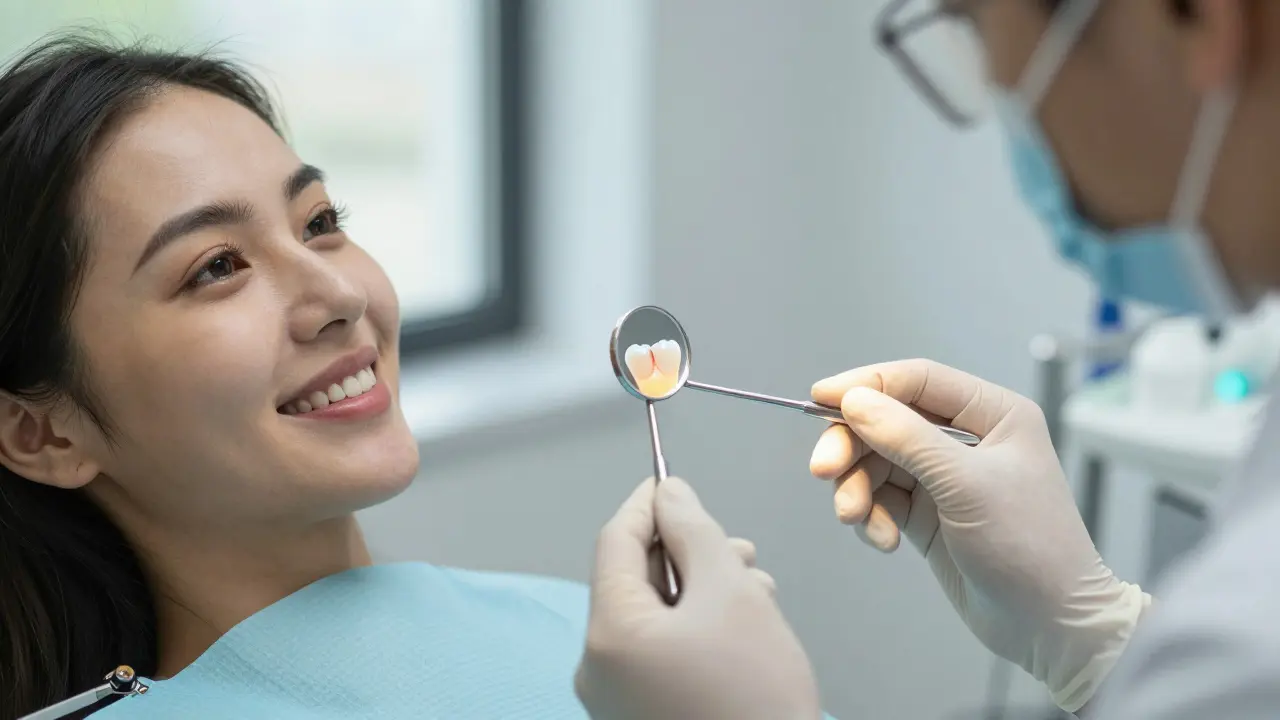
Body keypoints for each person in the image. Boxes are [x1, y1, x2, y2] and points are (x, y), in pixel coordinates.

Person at [0, 35, 825, 719]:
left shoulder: (587, 629)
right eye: (217, 267)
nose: (340, 292)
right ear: (42, 432)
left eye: (319, 222)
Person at [608, 0, 1280, 717]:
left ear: (1196, 18)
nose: (996, 90)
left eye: (974, 24)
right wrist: (1095, 639)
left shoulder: (1245, 647)